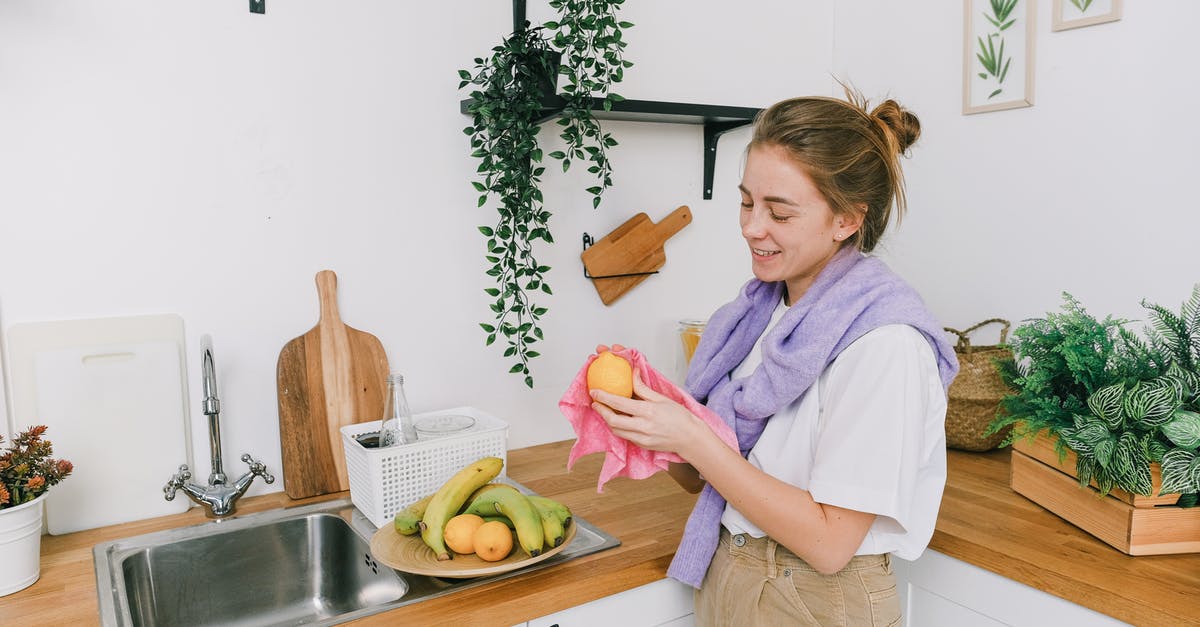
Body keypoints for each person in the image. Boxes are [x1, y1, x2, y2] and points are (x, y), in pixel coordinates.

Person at [589, 86, 960, 626]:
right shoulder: (754, 317)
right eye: (746, 202)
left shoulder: (886, 346)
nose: (751, 227)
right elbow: (707, 476)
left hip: (817, 599)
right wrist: (649, 414)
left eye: (779, 213)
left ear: (847, 221)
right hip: (731, 573)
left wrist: (691, 436)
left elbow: (831, 542)